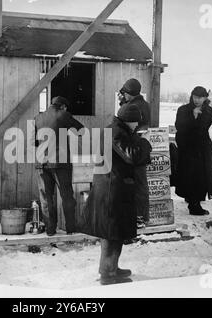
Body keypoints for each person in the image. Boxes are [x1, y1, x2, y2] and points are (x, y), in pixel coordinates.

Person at [78, 105, 152, 285]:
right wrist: (145, 142)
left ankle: (111, 268)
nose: (137, 126)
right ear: (130, 120)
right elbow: (132, 156)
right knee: (112, 234)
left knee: (114, 233)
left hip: (114, 189)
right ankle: (107, 274)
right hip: (113, 192)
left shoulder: (115, 129)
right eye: (136, 122)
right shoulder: (117, 132)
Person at [34, 96, 84, 236]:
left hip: (42, 162)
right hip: (60, 162)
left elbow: (34, 142)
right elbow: (81, 130)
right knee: (66, 195)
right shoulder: (63, 115)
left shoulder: (37, 118)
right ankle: (70, 228)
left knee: (46, 197)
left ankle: (50, 230)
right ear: (63, 106)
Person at [174, 86, 212, 215]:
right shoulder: (183, 110)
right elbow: (179, 126)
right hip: (188, 150)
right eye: (195, 97)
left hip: (203, 151)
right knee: (191, 177)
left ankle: (194, 200)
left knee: (200, 178)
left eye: (200, 98)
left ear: (205, 98)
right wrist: (193, 116)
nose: (197, 100)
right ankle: (194, 205)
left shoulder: (208, 111)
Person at [117, 78, 151, 227]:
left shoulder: (132, 106)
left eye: (125, 93)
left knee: (135, 186)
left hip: (133, 151)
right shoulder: (145, 105)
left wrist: (122, 103)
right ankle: (142, 216)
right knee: (141, 185)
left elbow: (123, 117)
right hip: (141, 150)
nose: (123, 95)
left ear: (129, 94)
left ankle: (138, 217)